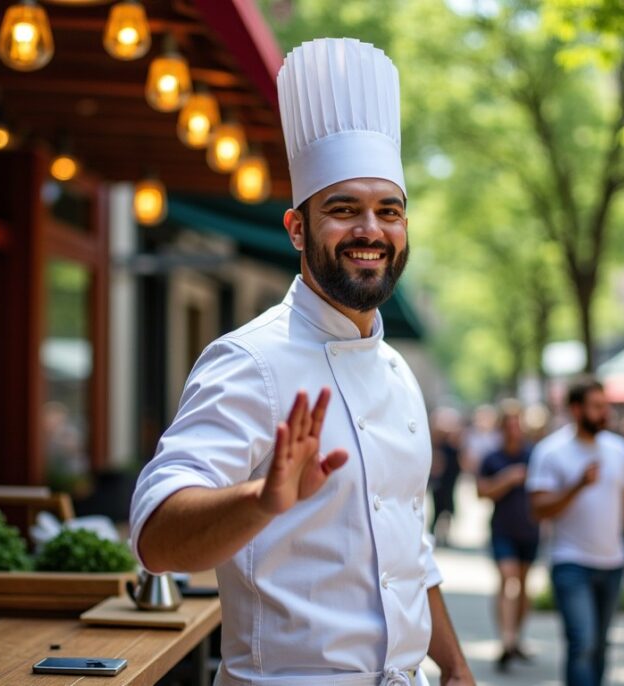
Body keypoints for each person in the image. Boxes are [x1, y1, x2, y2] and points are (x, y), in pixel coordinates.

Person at [129, 38, 473, 686]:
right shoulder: (249, 361)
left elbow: (409, 552)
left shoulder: (399, 374)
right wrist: (264, 498)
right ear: (296, 228)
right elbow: (155, 538)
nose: (370, 230)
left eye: (388, 211)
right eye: (343, 210)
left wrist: (453, 665)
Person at [528, 378, 624, 686]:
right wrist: (577, 485)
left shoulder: (619, 449)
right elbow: (539, 508)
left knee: (600, 645)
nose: (604, 413)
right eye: (596, 407)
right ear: (576, 410)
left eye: (605, 406)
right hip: (570, 563)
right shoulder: (551, 451)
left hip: (612, 563)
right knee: (583, 642)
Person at [475, 402, 539, 672]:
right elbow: (481, 492)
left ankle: (516, 638)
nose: (513, 429)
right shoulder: (492, 458)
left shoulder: (534, 454)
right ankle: (506, 639)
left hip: (530, 528)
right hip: (502, 529)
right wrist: (508, 479)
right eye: (508, 424)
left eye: (517, 423)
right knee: (506, 578)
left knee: (524, 585)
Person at [429, 407, 464, 547]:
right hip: (440, 482)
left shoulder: (453, 443)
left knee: (448, 508)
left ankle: (445, 535)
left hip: (450, 479)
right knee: (438, 508)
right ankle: (433, 533)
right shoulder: (437, 443)